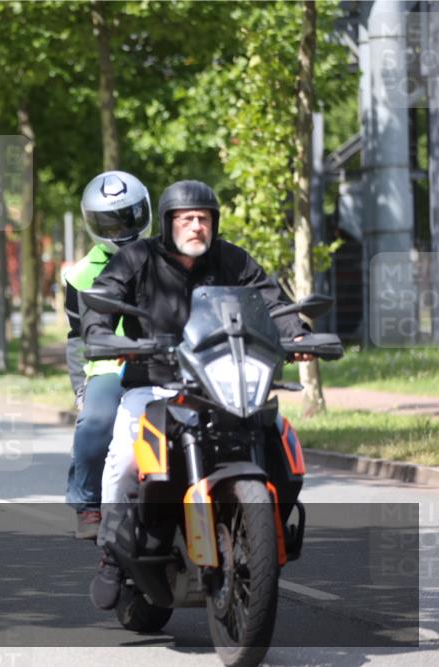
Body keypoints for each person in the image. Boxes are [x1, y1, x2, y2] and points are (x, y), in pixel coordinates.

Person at [81, 180, 315, 609]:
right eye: (186, 219)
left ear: (214, 223)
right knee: (125, 460)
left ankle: (263, 533)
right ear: (168, 223)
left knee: (278, 437)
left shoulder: (232, 260)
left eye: (203, 218)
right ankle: (112, 554)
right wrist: (98, 331)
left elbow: (271, 301)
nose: (196, 226)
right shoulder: (138, 258)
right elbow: (104, 298)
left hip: (222, 381)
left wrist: (296, 333)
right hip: (155, 383)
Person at [64, 171, 153, 539]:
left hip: (165, 359)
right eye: (109, 222)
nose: (121, 229)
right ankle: (87, 503)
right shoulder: (80, 275)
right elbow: (74, 335)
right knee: (96, 421)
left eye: (128, 217)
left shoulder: (167, 257)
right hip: (108, 365)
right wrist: (80, 390)